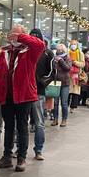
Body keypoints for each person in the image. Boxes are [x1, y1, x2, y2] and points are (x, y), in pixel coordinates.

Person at [0, 25, 44, 172]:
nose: (13, 36)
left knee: (22, 127)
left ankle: (21, 158)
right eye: (11, 34)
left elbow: (40, 44)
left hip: (24, 96)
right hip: (7, 96)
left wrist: (21, 37)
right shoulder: (4, 51)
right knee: (8, 126)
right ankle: (7, 156)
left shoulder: (30, 51)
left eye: (16, 34)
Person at [29, 29, 54, 159]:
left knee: (39, 122)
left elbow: (52, 72)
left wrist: (42, 82)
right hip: (25, 92)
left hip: (38, 91)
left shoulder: (47, 53)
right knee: (20, 122)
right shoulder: (25, 51)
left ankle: (38, 150)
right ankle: (17, 149)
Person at [51, 43, 72, 127]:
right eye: (58, 49)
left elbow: (68, 68)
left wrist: (61, 61)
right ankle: (55, 119)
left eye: (61, 50)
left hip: (65, 83)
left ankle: (64, 119)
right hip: (55, 83)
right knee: (55, 103)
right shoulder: (53, 58)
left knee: (64, 103)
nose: (59, 51)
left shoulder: (68, 58)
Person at [68, 40, 85, 111]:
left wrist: (75, 62)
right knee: (68, 92)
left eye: (75, 44)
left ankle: (72, 107)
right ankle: (66, 105)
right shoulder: (67, 52)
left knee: (75, 92)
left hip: (76, 76)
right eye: (72, 44)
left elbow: (83, 64)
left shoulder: (80, 53)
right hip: (68, 75)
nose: (73, 45)